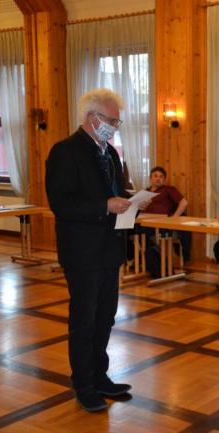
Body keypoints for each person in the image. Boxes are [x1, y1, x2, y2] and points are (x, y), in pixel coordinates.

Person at [45, 88, 138, 412]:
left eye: (117, 121)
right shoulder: (65, 151)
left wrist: (132, 200)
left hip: (109, 250)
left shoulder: (109, 152)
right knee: (84, 321)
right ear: (92, 117)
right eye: (111, 120)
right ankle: (83, 385)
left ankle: (100, 376)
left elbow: (115, 191)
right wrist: (104, 205)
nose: (115, 126)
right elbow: (61, 204)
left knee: (105, 318)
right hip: (82, 253)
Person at [139, 166, 191, 263]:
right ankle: (139, 259)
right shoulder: (145, 192)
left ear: (164, 180)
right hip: (144, 221)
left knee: (142, 232)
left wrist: (174, 217)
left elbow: (184, 203)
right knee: (127, 230)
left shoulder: (168, 189)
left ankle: (153, 261)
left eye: (161, 177)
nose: (158, 178)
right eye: (155, 176)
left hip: (161, 224)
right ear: (150, 178)